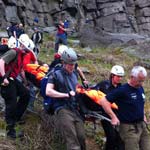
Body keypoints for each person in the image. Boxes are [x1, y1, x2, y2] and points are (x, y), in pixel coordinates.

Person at [100, 66, 150, 150]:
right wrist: (113, 117)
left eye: (143, 81)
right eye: (139, 81)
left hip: (141, 125)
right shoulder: (122, 90)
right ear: (132, 77)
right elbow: (104, 101)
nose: (141, 83)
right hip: (128, 127)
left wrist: (143, 115)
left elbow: (141, 103)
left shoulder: (140, 88)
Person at [46, 48, 86, 150]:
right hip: (62, 108)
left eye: (73, 64)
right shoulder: (55, 74)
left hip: (75, 109)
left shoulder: (74, 74)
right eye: (70, 64)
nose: (72, 67)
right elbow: (48, 91)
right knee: (72, 139)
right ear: (63, 62)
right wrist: (66, 95)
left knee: (81, 137)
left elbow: (75, 88)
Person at [0, 36, 30, 139]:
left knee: (26, 94)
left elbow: (21, 70)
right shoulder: (13, 52)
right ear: (22, 45)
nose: (27, 50)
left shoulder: (22, 55)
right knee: (11, 103)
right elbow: (1, 62)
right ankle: (10, 132)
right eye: (26, 48)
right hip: (6, 79)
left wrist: (25, 82)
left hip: (12, 79)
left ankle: (15, 118)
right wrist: (4, 77)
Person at [94, 65, 125, 150]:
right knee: (111, 137)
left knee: (121, 140)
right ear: (112, 75)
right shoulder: (103, 85)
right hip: (105, 115)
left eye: (121, 77)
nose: (120, 79)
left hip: (118, 116)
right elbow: (93, 93)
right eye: (118, 76)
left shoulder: (121, 88)